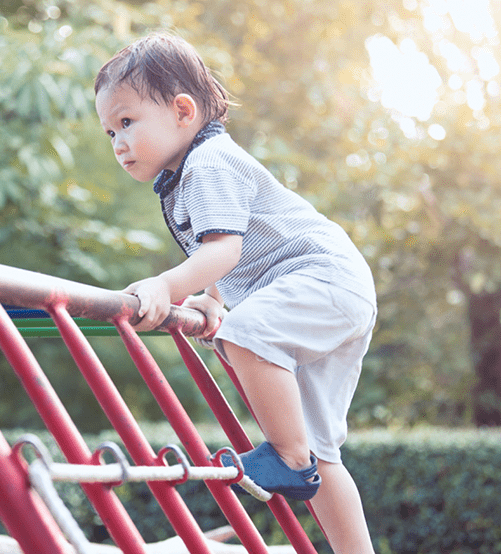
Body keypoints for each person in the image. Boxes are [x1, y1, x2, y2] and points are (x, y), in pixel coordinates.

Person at [94, 32, 377, 554]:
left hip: (323, 278)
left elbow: (222, 249)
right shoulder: (190, 172)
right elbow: (228, 250)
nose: (118, 143)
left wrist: (167, 285)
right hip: (338, 289)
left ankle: (288, 458)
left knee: (245, 334)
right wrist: (215, 300)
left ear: (183, 110)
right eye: (110, 131)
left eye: (128, 122)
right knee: (323, 452)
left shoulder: (208, 163)